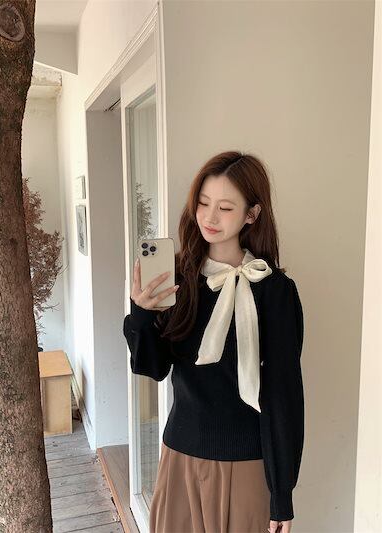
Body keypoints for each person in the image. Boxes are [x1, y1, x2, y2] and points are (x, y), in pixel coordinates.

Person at [123, 151, 305, 533]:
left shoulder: (275, 291)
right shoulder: (178, 279)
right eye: (203, 203)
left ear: (251, 214)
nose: (209, 217)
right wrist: (140, 313)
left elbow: (283, 396)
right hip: (180, 457)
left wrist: (282, 495)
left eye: (224, 208)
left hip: (249, 467)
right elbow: (152, 368)